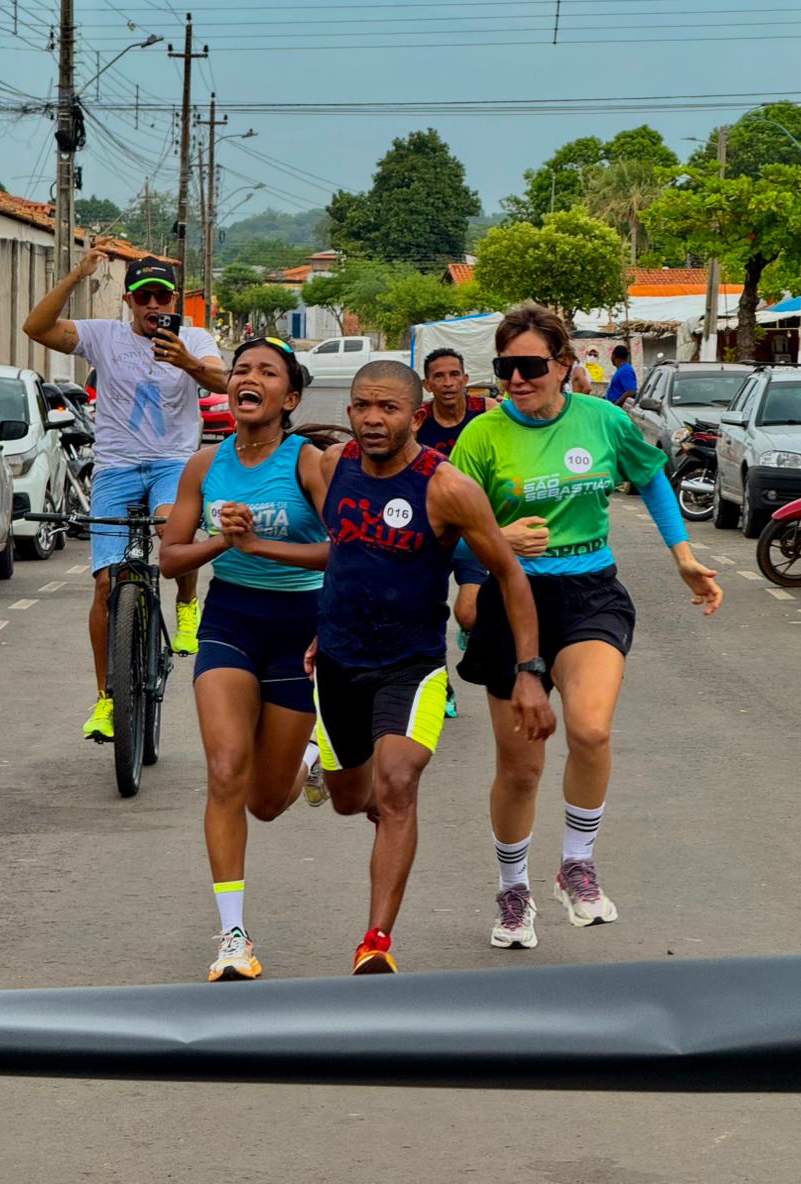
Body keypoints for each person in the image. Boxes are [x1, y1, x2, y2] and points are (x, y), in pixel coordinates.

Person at [224, 359, 554, 975]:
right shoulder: (333, 466)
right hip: (340, 663)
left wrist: (530, 671)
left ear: (415, 414)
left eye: (389, 408)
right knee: (354, 801)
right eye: (362, 407)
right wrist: (254, 545)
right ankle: (327, 771)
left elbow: (508, 571)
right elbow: (344, 552)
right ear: (348, 410)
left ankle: (375, 939)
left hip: (412, 664)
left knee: (399, 784)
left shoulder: (447, 487)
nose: (373, 419)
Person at [450, 302, 722, 951]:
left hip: (591, 593)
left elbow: (652, 477)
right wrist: (496, 539)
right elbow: (449, 533)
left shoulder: (602, 420)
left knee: (592, 728)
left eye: (531, 365)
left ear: (565, 365)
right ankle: (513, 891)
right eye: (506, 366)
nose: (517, 379)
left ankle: (576, 863)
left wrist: (683, 557)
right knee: (521, 769)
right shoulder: (481, 437)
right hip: (512, 601)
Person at [159, 336, 334, 982]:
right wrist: (218, 542)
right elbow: (169, 558)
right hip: (229, 622)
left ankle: (311, 758)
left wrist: (259, 545)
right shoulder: (205, 467)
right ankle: (232, 936)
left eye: (266, 372)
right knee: (226, 769)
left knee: (264, 801)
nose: (247, 378)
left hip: (299, 627)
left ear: (289, 397)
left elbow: (344, 551)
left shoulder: (308, 463)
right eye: (240, 370)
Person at [22, 250, 227, 741]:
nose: (153, 305)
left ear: (174, 299)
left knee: (168, 532)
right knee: (104, 584)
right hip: (115, 468)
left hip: (172, 463)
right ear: (129, 301)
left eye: (162, 296)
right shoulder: (103, 336)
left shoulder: (194, 337)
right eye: (143, 297)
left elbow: (225, 379)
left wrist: (189, 362)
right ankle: (107, 701)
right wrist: (76, 274)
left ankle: (185, 606)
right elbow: (36, 327)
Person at [418, 348, 498, 715]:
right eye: (439, 376)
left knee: (468, 613)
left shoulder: (489, 413)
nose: (448, 383)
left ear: (466, 379)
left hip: (474, 531)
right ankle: (441, 687)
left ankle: (470, 627)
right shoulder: (419, 422)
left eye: (455, 375)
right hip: (430, 534)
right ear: (427, 383)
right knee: (425, 614)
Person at [606, 343, 638, 408]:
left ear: (613, 356)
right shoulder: (621, 369)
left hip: (618, 407)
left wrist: (616, 404)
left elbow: (631, 391)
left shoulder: (625, 370)